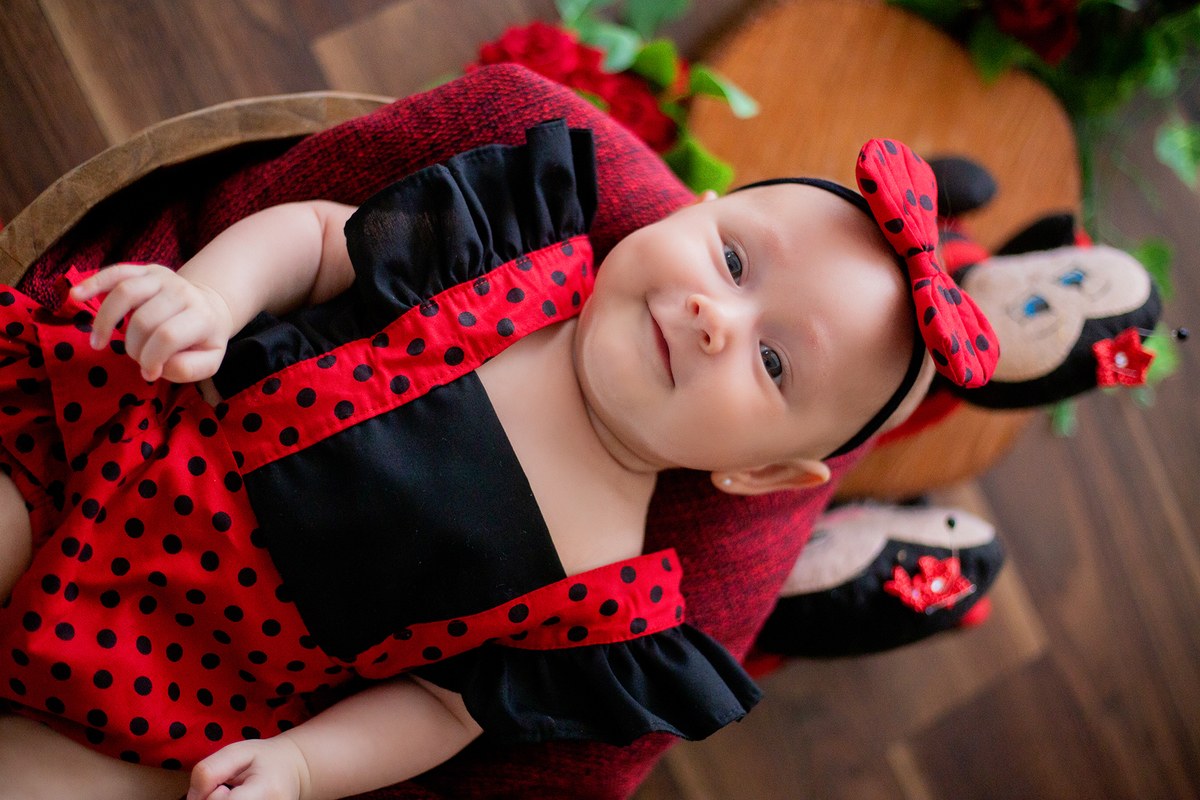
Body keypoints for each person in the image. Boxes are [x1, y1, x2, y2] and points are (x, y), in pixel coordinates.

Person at [0, 122, 994, 800]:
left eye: (773, 362)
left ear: (762, 476)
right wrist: (210, 300)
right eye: (732, 260)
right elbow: (316, 240)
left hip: (184, 678)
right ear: (694, 205)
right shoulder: (509, 250)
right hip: (118, 452)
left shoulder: (606, 595)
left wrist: (299, 766)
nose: (711, 318)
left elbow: (441, 707)